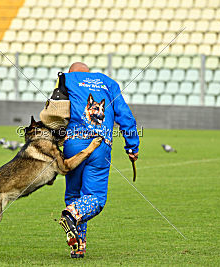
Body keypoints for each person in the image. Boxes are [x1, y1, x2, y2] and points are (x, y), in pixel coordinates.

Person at [57, 62, 140, 258]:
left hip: (73, 144)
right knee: (95, 198)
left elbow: (55, 111)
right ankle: (71, 215)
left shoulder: (66, 80)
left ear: (71, 73)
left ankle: (78, 246)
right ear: (89, 72)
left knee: (74, 196)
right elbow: (126, 116)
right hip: (100, 145)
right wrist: (132, 146)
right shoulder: (108, 83)